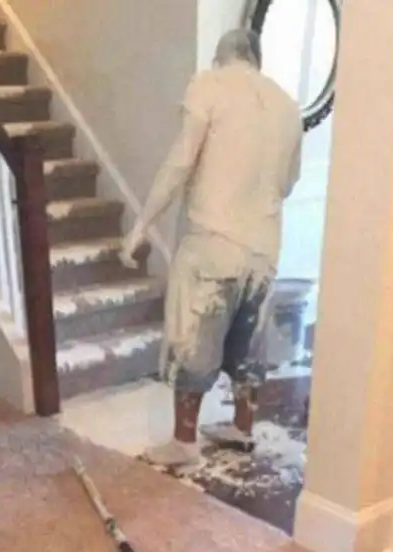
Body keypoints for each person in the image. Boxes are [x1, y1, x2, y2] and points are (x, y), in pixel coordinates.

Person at [119, 28, 303, 467]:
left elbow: (180, 161)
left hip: (213, 240)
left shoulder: (209, 86)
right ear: (255, 58)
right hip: (263, 245)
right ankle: (242, 427)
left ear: (221, 57)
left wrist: (141, 226)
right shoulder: (287, 106)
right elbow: (288, 183)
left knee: (194, 340)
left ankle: (184, 442)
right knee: (247, 344)